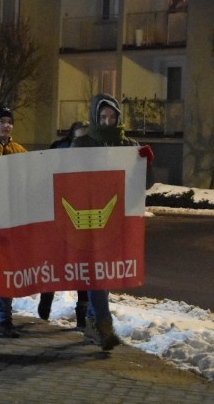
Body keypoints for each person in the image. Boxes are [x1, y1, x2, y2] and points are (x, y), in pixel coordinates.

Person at [72, 93, 154, 351]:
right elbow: (70, 178)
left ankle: (93, 321)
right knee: (96, 270)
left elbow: (145, 184)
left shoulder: (129, 145)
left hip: (116, 218)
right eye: (103, 117)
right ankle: (104, 324)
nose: (108, 122)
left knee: (104, 271)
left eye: (112, 117)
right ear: (95, 117)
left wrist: (146, 163)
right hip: (89, 217)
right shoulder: (83, 144)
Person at [40, 119, 91, 326]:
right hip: (59, 216)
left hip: (83, 218)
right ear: (71, 137)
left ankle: (82, 317)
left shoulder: (93, 157)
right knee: (53, 264)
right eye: (79, 137)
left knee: (83, 269)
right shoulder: (58, 152)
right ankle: (44, 308)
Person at [0, 103, 27, 338]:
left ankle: (4, 319)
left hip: (10, 217)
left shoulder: (19, 150)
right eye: (2, 121)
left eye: (10, 121)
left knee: (5, 268)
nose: (7, 125)